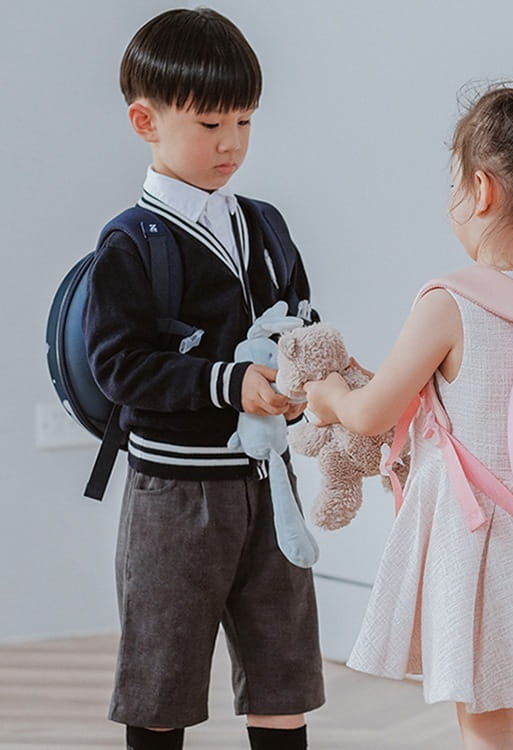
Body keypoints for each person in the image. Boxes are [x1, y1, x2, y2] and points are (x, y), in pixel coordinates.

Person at [303, 65, 513, 750]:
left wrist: (329, 394)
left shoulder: (449, 303)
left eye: (455, 182)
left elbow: (370, 415)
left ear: (480, 190)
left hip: (483, 546)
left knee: (484, 728)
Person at [83, 9, 324, 750]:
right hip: (175, 495)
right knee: (162, 684)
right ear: (145, 121)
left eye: (245, 122)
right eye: (211, 123)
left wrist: (319, 375)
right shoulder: (131, 241)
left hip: (269, 488)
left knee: (284, 679)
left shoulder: (266, 225)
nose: (232, 144)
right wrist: (230, 383)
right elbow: (118, 366)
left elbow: (305, 328)